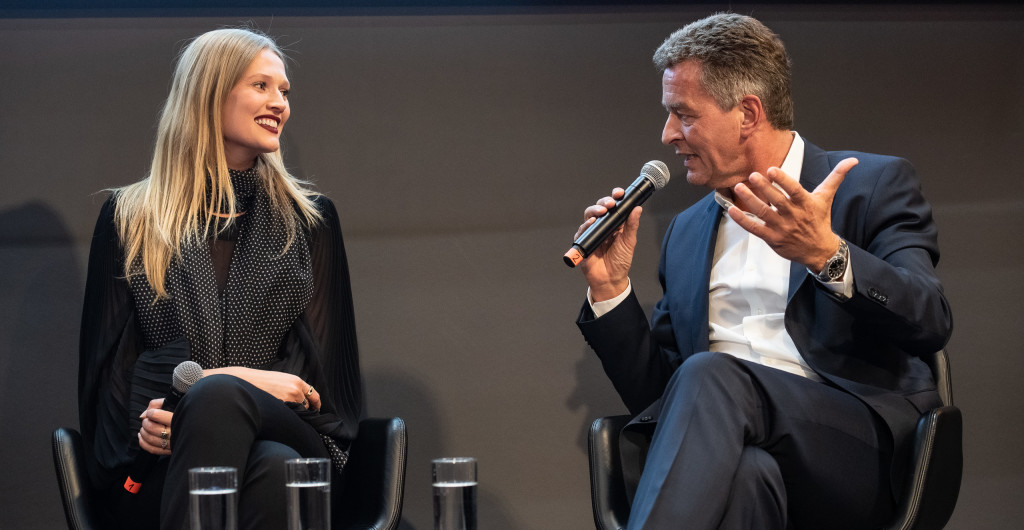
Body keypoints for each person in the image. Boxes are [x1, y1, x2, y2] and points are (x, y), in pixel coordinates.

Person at [573, 13, 951, 529]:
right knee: (747, 474)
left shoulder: (872, 186)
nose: (667, 136)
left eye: (683, 114)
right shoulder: (685, 233)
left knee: (711, 373)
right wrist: (612, 289)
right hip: (736, 449)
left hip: (854, 452)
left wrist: (828, 255)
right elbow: (664, 400)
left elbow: (930, 318)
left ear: (748, 113)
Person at [78, 27, 363, 529]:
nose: (280, 103)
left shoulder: (310, 221)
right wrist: (234, 383)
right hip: (158, 460)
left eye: (284, 91)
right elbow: (106, 385)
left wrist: (212, 386)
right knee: (273, 471)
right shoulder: (128, 218)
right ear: (209, 94)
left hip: (299, 439)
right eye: (261, 86)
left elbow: (324, 393)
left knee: (229, 410)